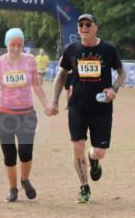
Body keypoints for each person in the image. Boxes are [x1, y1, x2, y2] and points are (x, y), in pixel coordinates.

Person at [51, 13, 125, 203]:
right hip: (77, 107)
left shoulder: (108, 49)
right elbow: (61, 76)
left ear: (95, 27)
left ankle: (94, 159)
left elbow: (121, 72)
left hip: (102, 107)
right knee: (77, 146)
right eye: (80, 25)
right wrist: (54, 101)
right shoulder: (71, 50)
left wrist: (114, 88)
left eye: (88, 24)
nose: (84, 27)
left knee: (99, 151)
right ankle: (84, 187)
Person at [0, 28, 54, 202]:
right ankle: (12, 189)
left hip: (26, 114)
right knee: (9, 155)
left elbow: (36, 85)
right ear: (6, 44)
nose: (16, 48)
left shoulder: (30, 60)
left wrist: (46, 105)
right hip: (3, 115)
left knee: (26, 152)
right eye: (12, 44)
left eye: (19, 45)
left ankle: (25, 179)